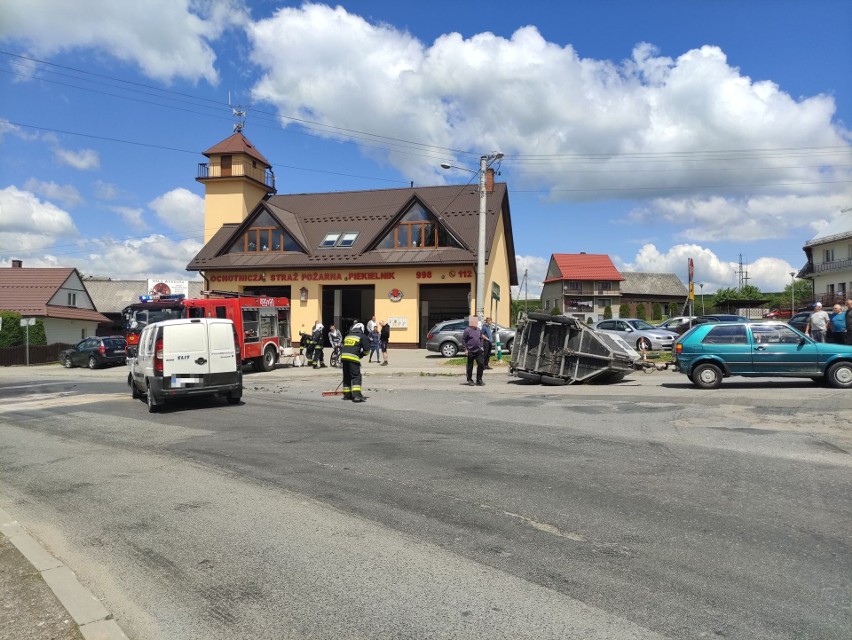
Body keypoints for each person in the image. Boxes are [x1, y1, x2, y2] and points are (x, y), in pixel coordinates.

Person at [340, 322, 371, 402]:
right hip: (353, 358)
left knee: (346, 377)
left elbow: (343, 346)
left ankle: (347, 395)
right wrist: (360, 355)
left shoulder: (347, 336)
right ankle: (357, 396)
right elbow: (367, 350)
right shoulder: (362, 336)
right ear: (361, 329)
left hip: (344, 358)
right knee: (356, 376)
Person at [462, 315, 485, 386]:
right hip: (470, 351)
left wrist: (481, 346)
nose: (476, 323)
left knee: (481, 364)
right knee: (469, 366)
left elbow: (481, 338)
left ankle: (479, 380)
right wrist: (465, 349)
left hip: (478, 350)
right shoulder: (467, 330)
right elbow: (463, 340)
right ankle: (470, 380)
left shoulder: (478, 330)